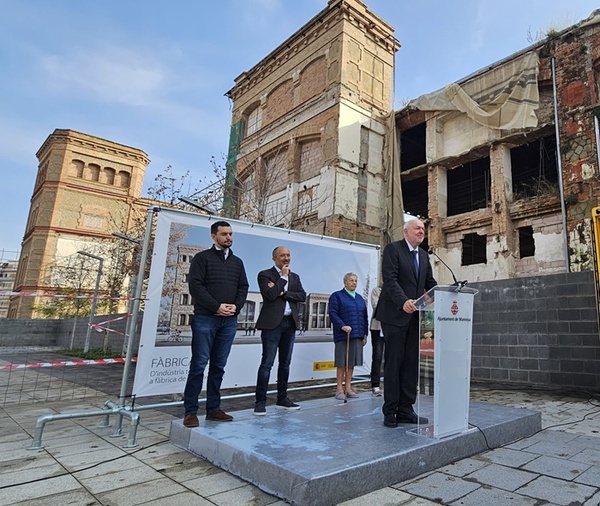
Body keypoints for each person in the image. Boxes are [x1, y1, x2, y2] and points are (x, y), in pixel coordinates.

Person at [182, 221, 249, 428]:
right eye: (224, 234)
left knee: (218, 366)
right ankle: (190, 411)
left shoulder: (237, 262)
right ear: (214, 236)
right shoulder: (202, 259)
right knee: (199, 365)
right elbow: (196, 287)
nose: (228, 237)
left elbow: (243, 287)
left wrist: (235, 308)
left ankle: (213, 409)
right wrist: (216, 306)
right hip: (205, 319)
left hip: (228, 321)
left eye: (230, 234)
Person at [375, 218, 437, 428]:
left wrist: (446, 293)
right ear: (406, 232)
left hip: (415, 317)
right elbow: (390, 280)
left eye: (423, 229)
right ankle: (390, 411)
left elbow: (430, 284)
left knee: (411, 364)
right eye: (417, 228)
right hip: (394, 315)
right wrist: (403, 301)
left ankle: (406, 409)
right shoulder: (393, 250)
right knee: (394, 363)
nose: (422, 231)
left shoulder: (424, 255)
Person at [253, 246, 306, 415]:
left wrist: (283, 293)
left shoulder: (295, 277)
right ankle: (260, 402)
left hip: (289, 324)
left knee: (285, 364)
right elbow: (269, 295)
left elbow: (302, 296)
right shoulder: (265, 275)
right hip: (272, 325)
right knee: (267, 363)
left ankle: (282, 398)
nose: (286, 258)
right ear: (274, 258)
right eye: (282, 255)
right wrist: (282, 278)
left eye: (288, 255)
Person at [328, 273, 368, 400]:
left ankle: (348, 387)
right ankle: (339, 388)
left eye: (356, 280)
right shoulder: (337, 296)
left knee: (351, 363)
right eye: (351, 280)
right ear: (345, 282)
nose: (354, 283)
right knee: (342, 362)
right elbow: (333, 313)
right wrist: (342, 326)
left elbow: (364, 317)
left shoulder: (360, 298)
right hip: (343, 335)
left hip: (357, 335)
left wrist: (364, 334)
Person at [370, 285, 384, 396]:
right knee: (377, 357)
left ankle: (390, 384)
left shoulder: (398, 290)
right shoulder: (376, 290)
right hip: (377, 328)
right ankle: (375, 385)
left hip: (392, 327)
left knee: (391, 357)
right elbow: (376, 305)